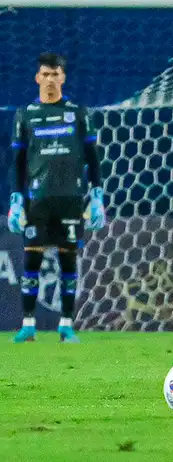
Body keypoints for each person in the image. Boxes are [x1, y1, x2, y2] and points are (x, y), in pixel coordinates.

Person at [7, 52, 106, 344]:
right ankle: (28, 325)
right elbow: (18, 160)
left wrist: (97, 195)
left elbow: (92, 157)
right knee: (31, 260)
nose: (50, 79)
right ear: (37, 78)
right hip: (37, 200)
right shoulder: (26, 114)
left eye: (55, 74)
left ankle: (66, 325)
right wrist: (16, 198)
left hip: (70, 199)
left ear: (63, 77)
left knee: (68, 262)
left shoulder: (78, 113)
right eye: (46, 74)